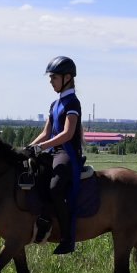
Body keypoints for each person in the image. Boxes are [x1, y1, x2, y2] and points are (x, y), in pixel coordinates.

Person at [27, 56, 83, 255]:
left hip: (66, 153)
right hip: (53, 150)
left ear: (67, 78)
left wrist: (41, 148)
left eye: (54, 78)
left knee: (55, 187)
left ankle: (68, 238)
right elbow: (45, 132)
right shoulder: (54, 104)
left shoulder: (72, 103)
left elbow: (67, 134)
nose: (51, 81)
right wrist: (29, 147)